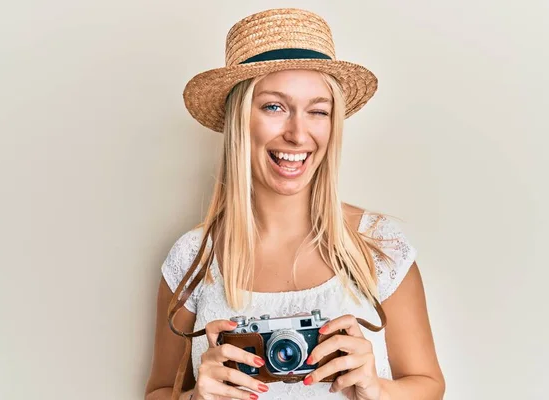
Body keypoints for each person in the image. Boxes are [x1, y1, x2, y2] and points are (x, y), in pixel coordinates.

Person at [145, 7, 445, 400]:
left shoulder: (377, 246)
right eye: (274, 106)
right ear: (240, 119)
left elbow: (429, 386)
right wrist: (197, 397)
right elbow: (157, 392)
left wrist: (376, 389)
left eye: (318, 111)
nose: (298, 133)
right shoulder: (194, 259)